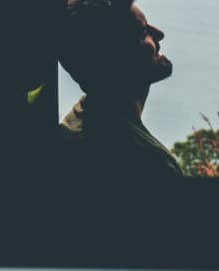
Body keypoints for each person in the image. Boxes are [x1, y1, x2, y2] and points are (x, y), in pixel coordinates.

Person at [59, 0, 183, 181]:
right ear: (115, 59)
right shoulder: (150, 165)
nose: (159, 34)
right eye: (143, 32)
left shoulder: (77, 123)